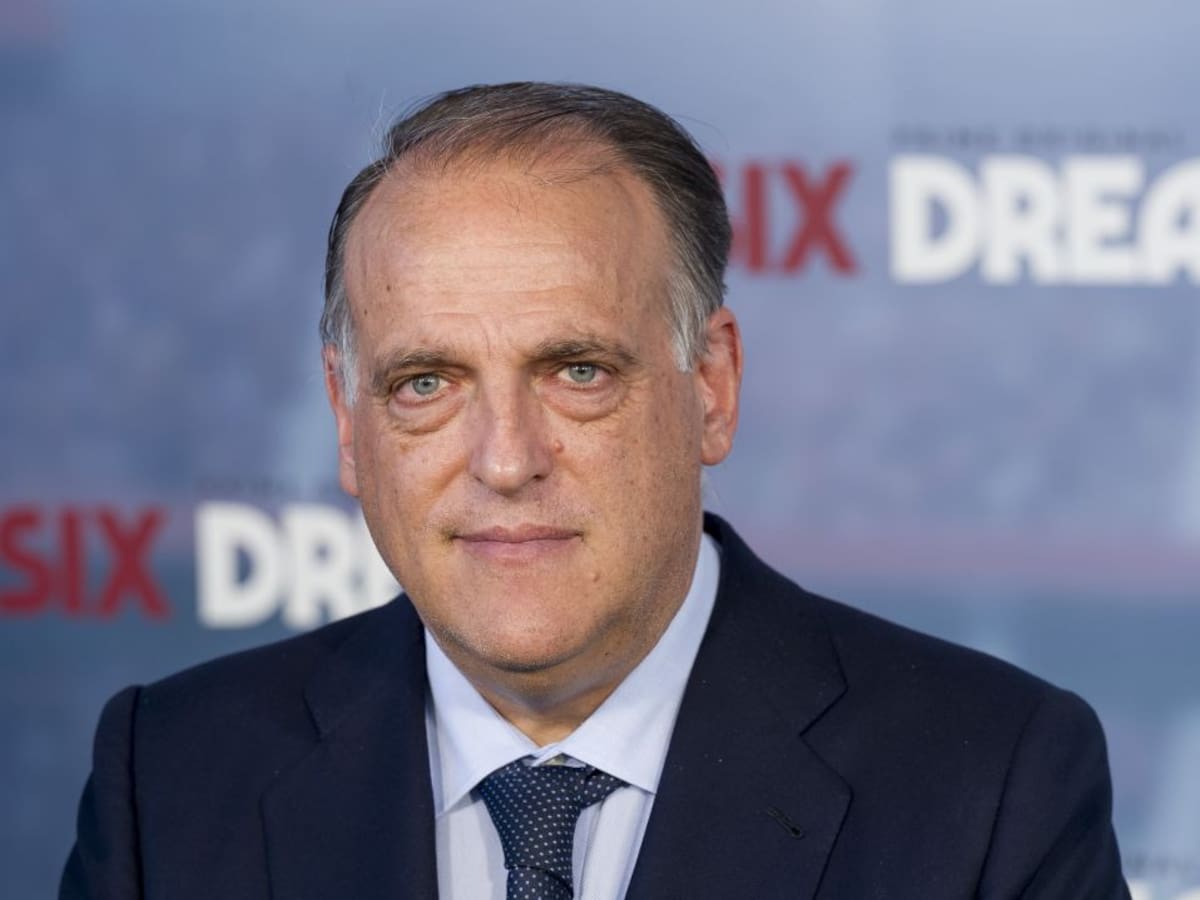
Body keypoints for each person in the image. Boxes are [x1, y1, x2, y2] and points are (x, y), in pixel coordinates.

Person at [61, 82, 1130, 899]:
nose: (505, 459)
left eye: (577, 371)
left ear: (711, 387)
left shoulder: (995, 784)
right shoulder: (169, 778)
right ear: (348, 422)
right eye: (425, 383)